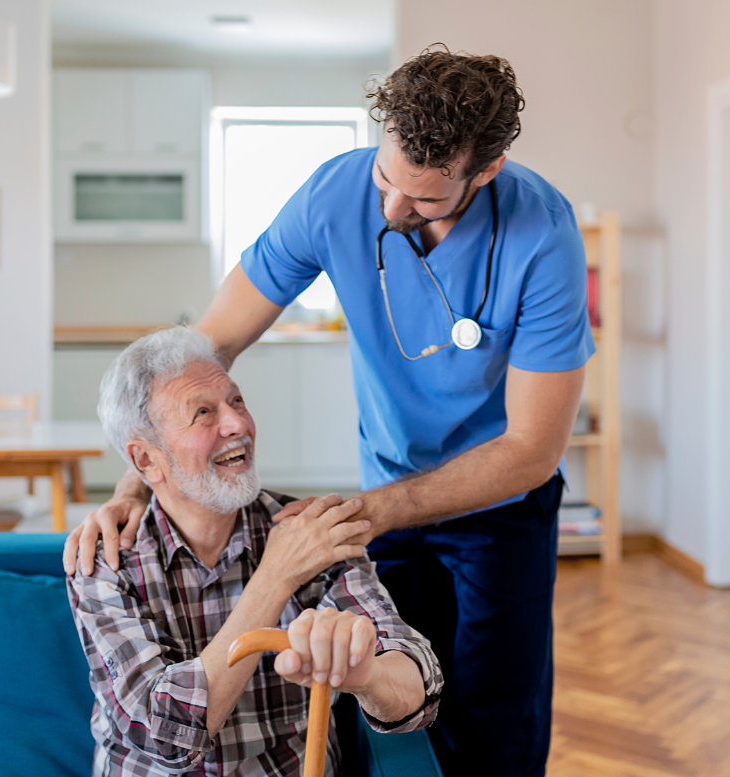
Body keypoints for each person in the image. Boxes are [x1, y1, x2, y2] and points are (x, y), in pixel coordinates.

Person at [66, 47, 594, 777]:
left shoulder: (544, 234)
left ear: (487, 169)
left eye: (425, 199)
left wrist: (371, 512)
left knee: (493, 717)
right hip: (387, 481)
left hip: (499, 503)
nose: (390, 209)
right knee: (367, 695)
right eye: (386, 179)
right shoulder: (333, 195)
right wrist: (136, 483)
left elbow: (533, 447)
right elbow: (210, 342)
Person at [68, 326, 442, 776]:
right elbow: (163, 740)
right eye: (203, 412)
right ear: (146, 460)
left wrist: (367, 676)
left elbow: (418, 689)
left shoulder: (309, 531)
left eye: (237, 401)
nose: (237, 424)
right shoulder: (106, 561)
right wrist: (274, 578)